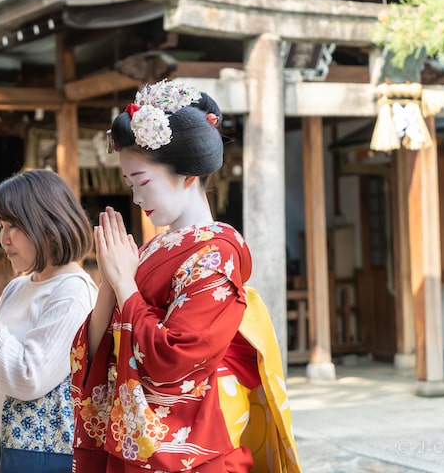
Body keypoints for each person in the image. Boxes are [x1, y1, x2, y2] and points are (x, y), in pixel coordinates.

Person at [70, 80, 300, 472]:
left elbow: (176, 358)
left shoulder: (217, 254)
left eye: (142, 181)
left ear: (188, 174)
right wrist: (111, 279)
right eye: (130, 185)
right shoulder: (147, 252)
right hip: (132, 441)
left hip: (194, 443)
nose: (137, 198)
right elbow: (97, 352)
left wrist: (126, 285)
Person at [0, 168, 98, 473]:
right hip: (16, 451)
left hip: (53, 456)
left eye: (13, 225)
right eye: (1, 225)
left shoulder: (72, 291)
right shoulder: (19, 287)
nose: (4, 238)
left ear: (45, 222)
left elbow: (27, 380)